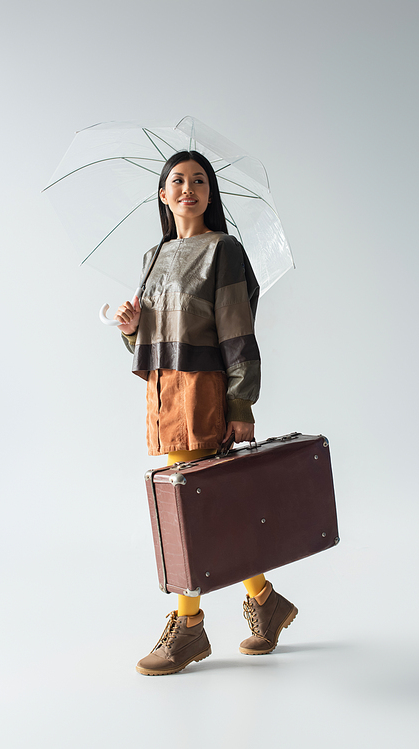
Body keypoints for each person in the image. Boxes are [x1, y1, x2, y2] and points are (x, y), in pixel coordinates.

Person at [115, 150, 297, 676]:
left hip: (204, 392)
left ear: (209, 193)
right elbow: (150, 341)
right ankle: (265, 601)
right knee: (214, 505)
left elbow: (238, 329)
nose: (187, 188)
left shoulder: (224, 251)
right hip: (163, 392)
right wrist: (131, 328)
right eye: (177, 180)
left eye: (199, 180)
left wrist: (241, 404)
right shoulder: (153, 255)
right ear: (162, 193)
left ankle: (189, 627)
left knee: (190, 509)